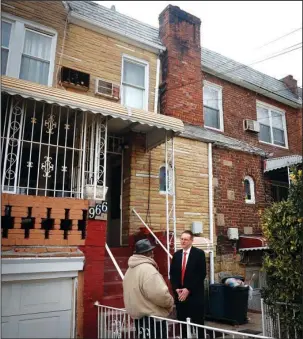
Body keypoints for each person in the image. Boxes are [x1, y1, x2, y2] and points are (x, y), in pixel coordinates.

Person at [123, 238, 174, 338]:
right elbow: (160, 294)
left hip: (139, 319)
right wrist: (170, 303)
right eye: (151, 251)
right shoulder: (148, 270)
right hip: (153, 320)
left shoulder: (130, 269)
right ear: (148, 253)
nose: (153, 254)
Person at [170, 230, 206, 339]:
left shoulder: (199, 254)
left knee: (198, 323)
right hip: (181, 296)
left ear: (191, 241)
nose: (183, 241)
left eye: (186, 239)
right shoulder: (176, 255)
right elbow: (173, 274)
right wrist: (176, 289)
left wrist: (188, 289)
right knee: (183, 323)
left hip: (195, 295)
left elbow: (201, 274)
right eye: (181, 239)